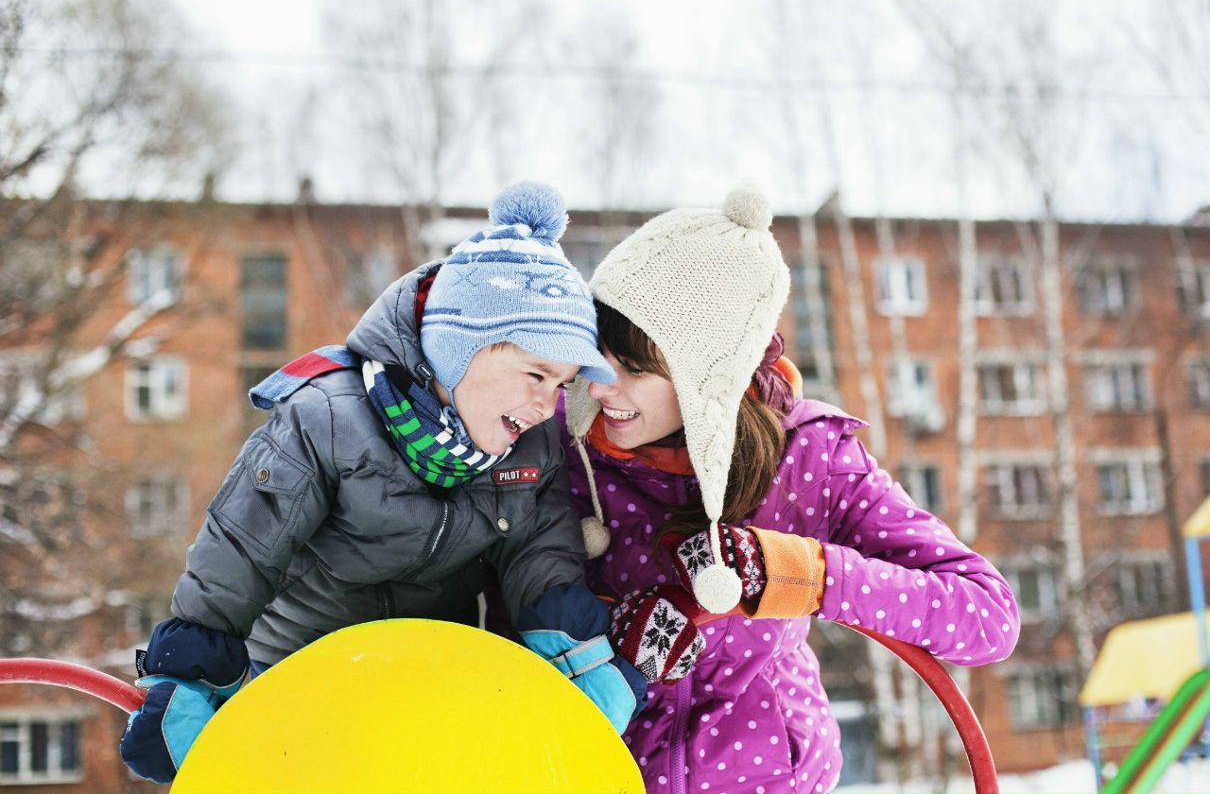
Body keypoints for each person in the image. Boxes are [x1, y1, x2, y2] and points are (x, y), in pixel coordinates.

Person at [118, 182, 645, 783]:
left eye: (561, 384)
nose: (545, 402)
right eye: (535, 373)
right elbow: (240, 551)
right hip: (298, 673)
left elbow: (540, 553)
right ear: (459, 351)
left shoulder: (530, 444)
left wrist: (575, 657)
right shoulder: (326, 418)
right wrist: (189, 676)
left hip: (424, 682)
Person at [558, 187, 1021, 793]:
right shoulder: (568, 459)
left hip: (771, 780)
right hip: (603, 776)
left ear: (709, 373)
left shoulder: (809, 458)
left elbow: (986, 616)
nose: (600, 388)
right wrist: (606, 638)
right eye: (599, 356)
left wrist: (809, 576)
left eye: (637, 368)